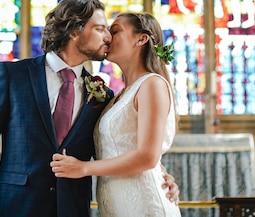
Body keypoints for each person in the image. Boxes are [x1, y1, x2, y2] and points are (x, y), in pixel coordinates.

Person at [0, 0, 179, 217]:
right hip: (15, 207)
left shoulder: (103, 96)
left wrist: (159, 173)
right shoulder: (12, 76)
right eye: (100, 29)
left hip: (72, 208)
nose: (107, 38)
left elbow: (114, 146)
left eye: (112, 31)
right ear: (74, 31)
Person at [51, 12, 181, 217]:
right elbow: (122, 145)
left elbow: (147, 156)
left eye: (116, 31)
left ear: (142, 38)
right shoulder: (116, 96)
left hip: (144, 204)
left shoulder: (152, 84)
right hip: (116, 204)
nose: (108, 37)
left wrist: (84, 168)